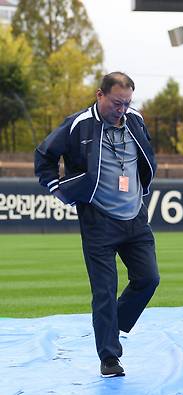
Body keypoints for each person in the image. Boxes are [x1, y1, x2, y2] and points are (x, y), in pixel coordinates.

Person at [35, 72, 159, 376]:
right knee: (104, 290)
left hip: (135, 217)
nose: (122, 109)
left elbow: (147, 157)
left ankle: (111, 325)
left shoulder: (136, 120)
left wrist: (142, 191)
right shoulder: (78, 124)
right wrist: (57, 189)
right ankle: (109, 357)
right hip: (98, 220)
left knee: (148, 279)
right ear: (99, 95)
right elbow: (44, 155)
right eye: (117, 103)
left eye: (127, 103)